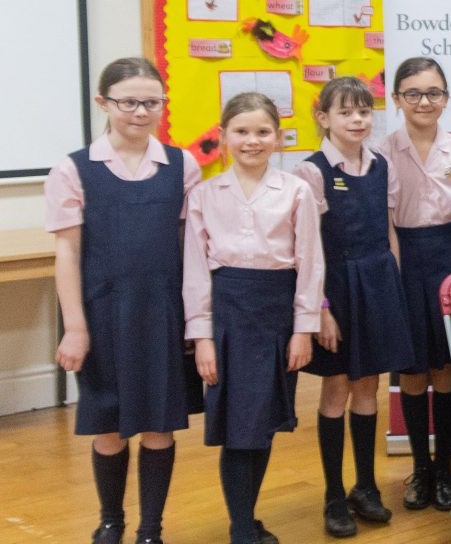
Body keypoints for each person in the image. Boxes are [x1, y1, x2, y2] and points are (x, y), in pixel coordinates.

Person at [46, 57, 202, 544]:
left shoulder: (183, 164)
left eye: (151, 102)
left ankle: (151, 529)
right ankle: (110, 520)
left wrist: (197, 321)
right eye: (129, 101)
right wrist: (76, 327)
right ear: (103, 104)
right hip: (102, 313)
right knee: (109, 426)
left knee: (158, 425)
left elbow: (191, 249)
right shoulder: (74, 168)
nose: (140, 111)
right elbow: (68, 253)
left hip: (163, 313)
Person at [184, 92, 322, 544]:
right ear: (223, 137)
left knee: (261, 422)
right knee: (234, 423)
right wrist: (201, 336)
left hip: (275, 314)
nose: (252, 140)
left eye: (263, 131)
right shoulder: (205, 193)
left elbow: (310, 263)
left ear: (278, 138)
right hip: (227, 314)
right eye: (241, 131)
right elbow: (196, 270)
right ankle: (242, 526)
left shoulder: (297, 190)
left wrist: (304, 329)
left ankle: (246, 516)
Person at [293, 77, 416, 537]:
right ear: (323, 117)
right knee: (337, 388)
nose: (357, 120)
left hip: (378, 285)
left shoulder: (381, 165)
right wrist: (320, 308)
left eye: (364, 111)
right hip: (337, 290)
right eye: (346, 112)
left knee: (369, 388)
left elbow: (388, 230)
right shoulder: (311, 171)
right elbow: (307, 249)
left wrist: (393, 288)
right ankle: (332, 494)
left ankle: (365, 487)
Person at [382, 57, 451, 512]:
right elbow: (383, 219)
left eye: (434, 93)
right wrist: (394, 272)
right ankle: (420, 469)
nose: (425, 102)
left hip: (448, 259)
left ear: (446, 98)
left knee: (444, 371)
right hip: (401, 260)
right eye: (414, 93)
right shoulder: (382, 152)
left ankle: (445, 469)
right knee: (411, 372)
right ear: (397, 98)